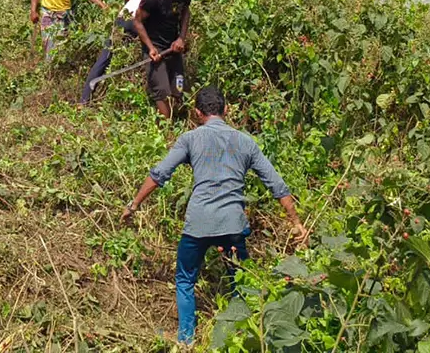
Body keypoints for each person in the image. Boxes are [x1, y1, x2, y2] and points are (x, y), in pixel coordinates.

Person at [121, 86, 308, 344]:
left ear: (198, 113)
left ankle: (186, 339)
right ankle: (238, 337)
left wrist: (133, 205)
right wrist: (296, 222)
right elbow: (276, 184)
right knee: (240, 282)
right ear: (226, 110)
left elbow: (159, 174)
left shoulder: (189, 139)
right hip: (231, 224)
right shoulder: (245, 142)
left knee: (185, 279)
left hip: (197, 224)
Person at [80, 0, 246, 103]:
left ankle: (85, 98)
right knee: (157, 54)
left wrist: (128, 6)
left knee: (107, 56)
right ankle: (165, 96)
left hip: (125, 17)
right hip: (142, 21)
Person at [133, 0, 197, 119]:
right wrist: (150, 48)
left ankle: (178, 123)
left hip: (174, 48)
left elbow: (185, 13)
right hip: (155, 49)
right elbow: (138, 21)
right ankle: (164, 133)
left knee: (179, 89)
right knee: (162, 93)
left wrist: (181, 38)